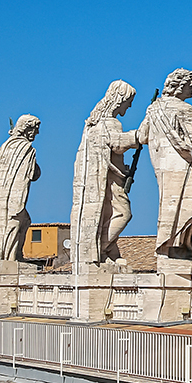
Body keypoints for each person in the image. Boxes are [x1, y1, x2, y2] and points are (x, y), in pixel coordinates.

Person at [138, 68, 192, 262]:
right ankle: (183, 249)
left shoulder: (153, 108)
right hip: (183, 165)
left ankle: (173, 249)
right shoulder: (184, 108)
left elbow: (142, 136)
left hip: (162, 166)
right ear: (180, 86)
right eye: (191, 85)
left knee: (171, 206)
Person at [70, 80, 141, 269]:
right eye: (129, 102)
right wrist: (138, 136)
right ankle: (101, 249)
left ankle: (107, 250)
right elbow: (116, 144)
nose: (130, 106)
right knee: (123, 213)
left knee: (108, 214)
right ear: (120, 100)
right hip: (108, 181)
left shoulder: (94, 124)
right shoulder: (110, 123)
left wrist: (124, 170)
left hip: (108, 178)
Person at [0, 116, 40, 263]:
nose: (37, 133)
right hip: (13, 195)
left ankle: (2, 256)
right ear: (27, 129)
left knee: (20, 221)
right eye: (35, 129)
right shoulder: (26, 148)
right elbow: (31, 175)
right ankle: (10, 259)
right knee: (15, 222)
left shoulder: (5, 146)